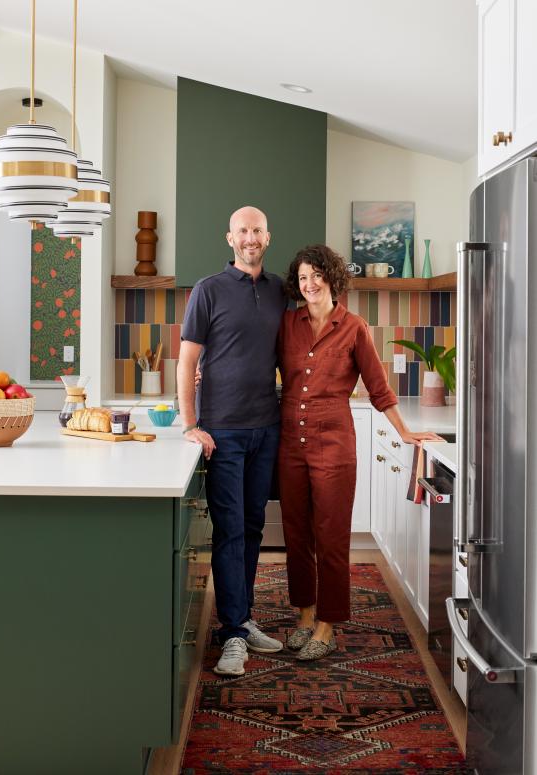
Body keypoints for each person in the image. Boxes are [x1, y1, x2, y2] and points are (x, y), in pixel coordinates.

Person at [277, 244, 442, 660]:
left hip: (334, 443)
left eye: (316, 275)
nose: (309, 284)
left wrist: (405, 432)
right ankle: (304, 614)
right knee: (296, 535)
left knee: (330, 537)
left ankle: (327, 625)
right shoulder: (287, 324)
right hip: (289, 443)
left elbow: (378, 388)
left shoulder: (354, 328)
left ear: (332, 278)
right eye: (302, 278)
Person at [177, 206, 287, 676]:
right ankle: (233, 634)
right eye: (242, 230)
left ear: (268, 236)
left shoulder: (282, 290)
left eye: (257, 230)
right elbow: (186, 362)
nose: (250, 237)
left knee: (255, 526)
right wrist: (189, 422)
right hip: (222, 431)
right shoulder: (208, 290)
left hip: (267, 427)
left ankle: (241, 619)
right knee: (230, 531)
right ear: (230, 238)